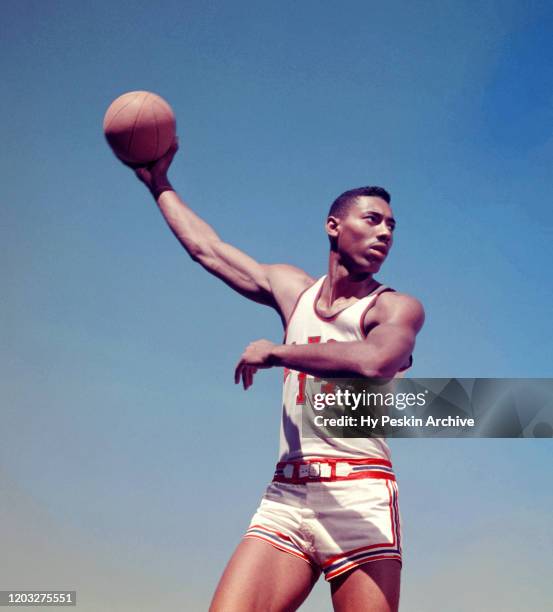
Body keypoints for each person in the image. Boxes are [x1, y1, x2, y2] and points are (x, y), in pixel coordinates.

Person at [128, 141, 424, 612]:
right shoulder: (294, 291)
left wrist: (278, 352)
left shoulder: (394, 307)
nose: (385, 231)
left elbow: (376, 361)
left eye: (392, 225)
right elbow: (209, 251)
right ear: (334, 226)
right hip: (287, 494)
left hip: (360, 495)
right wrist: (157, 182)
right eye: (373, 219)